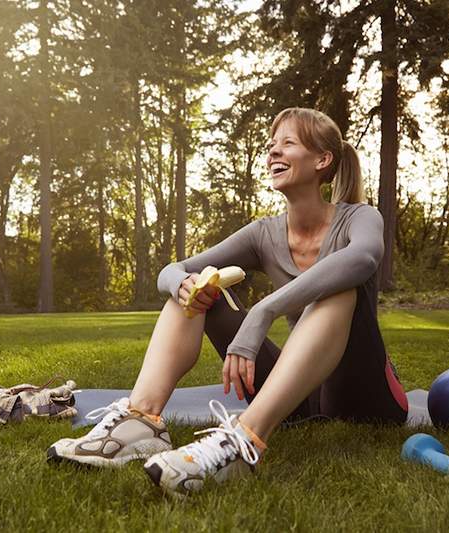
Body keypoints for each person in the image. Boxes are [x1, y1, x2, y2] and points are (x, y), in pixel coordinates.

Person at [47, 107, 409, 497]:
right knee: (196, 287)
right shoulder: (263, 233)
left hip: (363, 394)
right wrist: (184, 283)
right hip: (297, 396)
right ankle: (141, 421)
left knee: (339, 289)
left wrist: (264, 311)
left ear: (322, 160)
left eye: (287, 143)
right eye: (271, 146)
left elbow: (364, 259)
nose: (273, 152)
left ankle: (244, 442)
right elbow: (172, 270)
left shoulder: (359, 217)